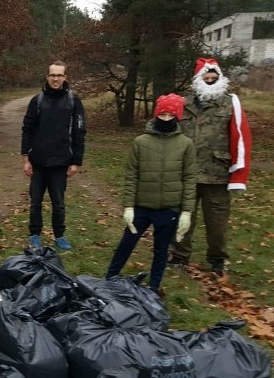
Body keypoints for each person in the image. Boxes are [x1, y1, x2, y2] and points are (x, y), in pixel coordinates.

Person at [168, 58, 252, 277]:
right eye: (206, 76)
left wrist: (239, 174)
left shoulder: (230, 103)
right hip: (185, 172)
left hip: (218, 173)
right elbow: (170, 135)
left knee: (217, 222)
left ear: (220, 78)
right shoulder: (182, 103)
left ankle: (217, 260)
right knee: (182, 217)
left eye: (214, 77)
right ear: (197, 79)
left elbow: (241, 137)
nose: (210, 79)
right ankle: (179, 256)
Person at [105, 94, 196, 294]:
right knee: (126, 244)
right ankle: (109, 279)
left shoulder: (186, 144)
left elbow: (190, 179)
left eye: (169, 115)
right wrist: (128, 206)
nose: (165, 119)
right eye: (161, 114)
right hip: (141, 207)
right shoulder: (140, 142)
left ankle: (153, 288)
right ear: (156, 115)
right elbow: (131, 176)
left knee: (161, 250)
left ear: (177, 117)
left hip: (169, 208)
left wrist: (187, 212)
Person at [21, 60, 86, 251]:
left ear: (65, 77)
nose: (55, 79)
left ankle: (59, 236)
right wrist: (26, 158)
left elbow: (79, 132)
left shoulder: (74, 101)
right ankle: (35, 235)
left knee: (58, 202)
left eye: (59, 75)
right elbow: (27, 130)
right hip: (38, 161)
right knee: (36, 202)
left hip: (61, 162)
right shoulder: (37, 101)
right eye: (52, 75)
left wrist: (76, 161)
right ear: (47, 76)